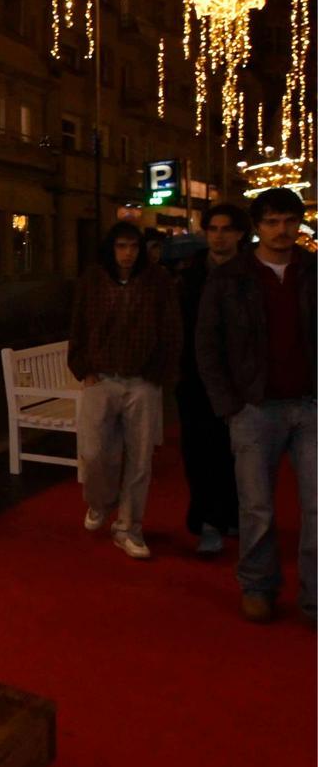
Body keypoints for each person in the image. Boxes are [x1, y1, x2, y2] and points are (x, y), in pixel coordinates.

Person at [196, 188, 316, 625]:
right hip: (255, 406)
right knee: (257, 506)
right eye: (272, 222)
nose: (282, 230)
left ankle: (315, 595)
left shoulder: (312, 270)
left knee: (317, 506)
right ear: (259, 227)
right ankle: (258, 585)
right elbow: (207, 344)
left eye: (289, 221)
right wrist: (230, 404)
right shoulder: (232, 277)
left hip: (311, 404)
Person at [68, 222, 182, 559]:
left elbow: (171, 327)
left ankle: (129, 526)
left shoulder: (157, 280)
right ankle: (100, 501)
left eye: (133, 246)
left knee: (140, 458)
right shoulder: (93, 278)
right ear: (111, 247)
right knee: (94, 452)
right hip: (101, 378)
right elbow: (79, 323)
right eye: (121, 246)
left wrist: (158, 373)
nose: (128, 253)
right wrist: (84, 368)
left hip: (141, 380)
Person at [177, 204, 250, 554]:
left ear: (239, 233)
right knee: (199, 452)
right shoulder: (190, 273)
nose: (219, 235)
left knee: (238, 454)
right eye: (214, 228)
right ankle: (207, 520)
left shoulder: (252, 273)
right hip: (194, 379)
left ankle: (232, 514)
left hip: (242, 381)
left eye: (227, 228)